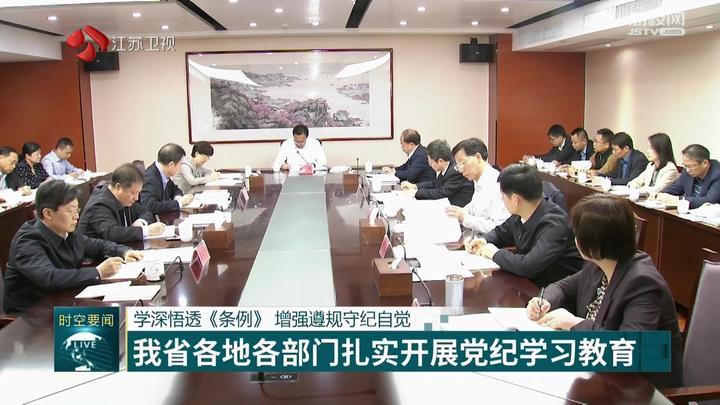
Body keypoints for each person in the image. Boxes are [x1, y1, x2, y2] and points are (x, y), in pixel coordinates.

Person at [527, 194, 682, 389]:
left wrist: (574, 323)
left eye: (578, 234)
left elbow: (631, 349)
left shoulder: (643, 283)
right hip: (598, 372)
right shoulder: (599, 265)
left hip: (640, 389)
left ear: (594, 242)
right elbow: (562, 287)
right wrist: (544, 301)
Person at [3, 180, 143, 314]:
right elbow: (49, 278)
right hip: (32, 316)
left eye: (77, 210)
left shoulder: (66, 233)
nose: (77, 216)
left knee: (126, 312)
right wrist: (98, 272)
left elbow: (98, 245)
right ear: (48, 213)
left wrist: (124, 251)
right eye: (70, 211)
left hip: (64, 301)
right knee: (116, 320)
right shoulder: (27, 240)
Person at [466, 164, 584, 287]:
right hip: (527, 284)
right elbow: (501, 233)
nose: (502, 200)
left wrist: (495, 254)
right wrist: (483, 240)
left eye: (503, 197)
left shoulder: (555, 223)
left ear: (515, 199)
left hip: (552, 290)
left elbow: (528, 266)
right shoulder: (520, 213)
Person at [77, 163, 166, 243]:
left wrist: (140, 222)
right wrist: (146, 231)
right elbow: (112, 233)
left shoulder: (124, 198)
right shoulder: (99, 205)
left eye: (138, 193)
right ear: (118, 187)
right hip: (96, 255)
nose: (136, 198)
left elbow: (145, 211)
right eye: (133, 193)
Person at [445, 138, 510, 233]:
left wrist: (465, 218)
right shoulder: (478, 181)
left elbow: (498, 227)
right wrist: (457, 212)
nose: (461, 170)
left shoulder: (496, 184)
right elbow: (474, 208)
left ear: (478, 157)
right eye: (458, 166)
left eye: (462, 163)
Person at [400, 139, 473, 207]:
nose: (429, 165)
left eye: (431, 163)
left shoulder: (454, 172)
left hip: (458, 209)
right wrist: (415, 186)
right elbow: (435, 183)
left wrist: (415, 193)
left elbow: (441, 193)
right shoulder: (448, 165)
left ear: (440, 161)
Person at [658, 144, 720, 209]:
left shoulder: (717, 174)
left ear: (705, 163)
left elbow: (710, 201)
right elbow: (676, 188)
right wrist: (661, 194)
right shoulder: (687, 171)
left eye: (690, 166)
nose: (687, 170)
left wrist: (679, 200)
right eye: (685, 166)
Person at [140, 143, 194, 215]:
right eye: (180, 164)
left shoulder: (163, 173)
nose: (181, 167)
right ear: (171, 165)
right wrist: (178, 203)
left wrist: (178, 198)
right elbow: (150, 206)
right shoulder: (150, 178)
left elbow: (175, 189)